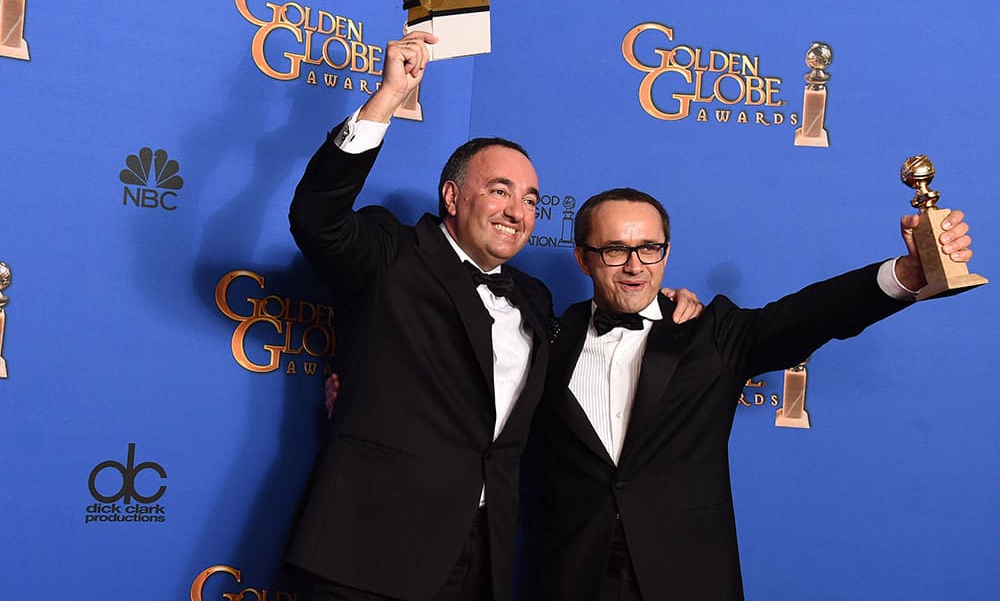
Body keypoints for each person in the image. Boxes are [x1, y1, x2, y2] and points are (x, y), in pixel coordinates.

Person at [285, 32, 701, 601]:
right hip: (370, 549)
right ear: (452, 198)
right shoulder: (391, 253)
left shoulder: (533, 298)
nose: (518, 211)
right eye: (500, 190)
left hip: (482, 559)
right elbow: (316, 217)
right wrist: (386, 99)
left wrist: (658, 302)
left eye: (531, 199)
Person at [522, 187, 975, 601]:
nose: (636, 265)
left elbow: (808, 315)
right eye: (616, 249)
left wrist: (909, 273)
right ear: (583, 259)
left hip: (687, 577)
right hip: (569, 578)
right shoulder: (549, 336)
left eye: (650, 248)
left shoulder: (711, 331)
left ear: (666, 251)